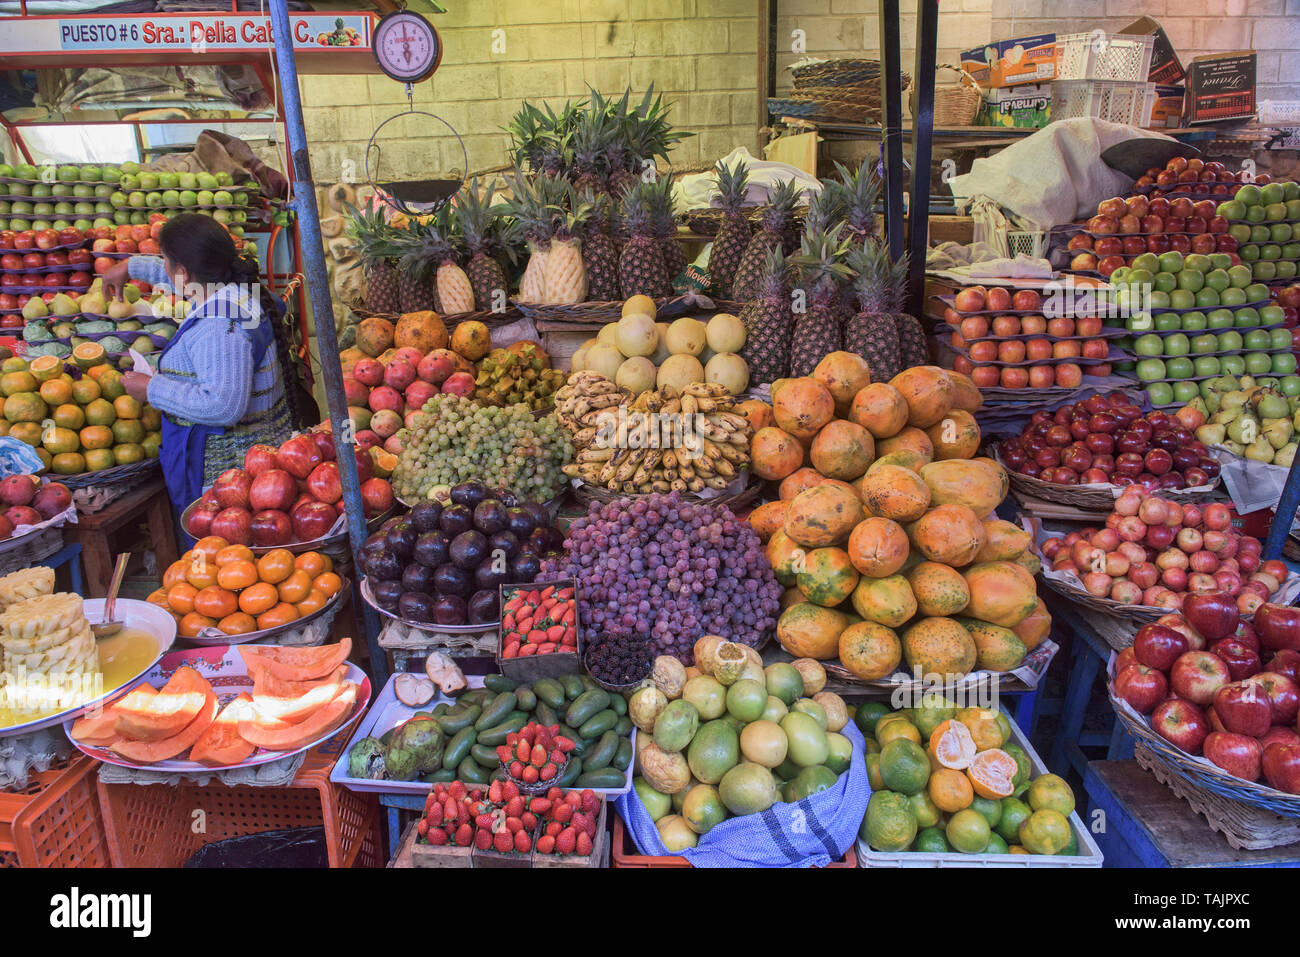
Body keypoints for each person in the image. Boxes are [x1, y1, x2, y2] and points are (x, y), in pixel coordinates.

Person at [102, 213, 296, 513]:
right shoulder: (240, 292)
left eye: (164, 259)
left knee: (222, 556)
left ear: (183, 270)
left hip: (228, 482)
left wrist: (152, 389)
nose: (163, 266)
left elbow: (222, 406)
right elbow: (179, 276)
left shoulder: (218, 325)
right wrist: (130, 266)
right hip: (258, 468)